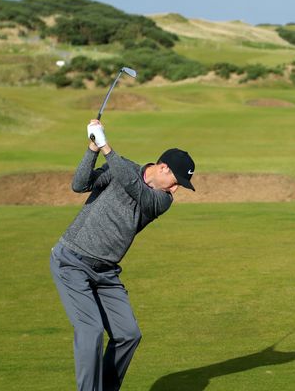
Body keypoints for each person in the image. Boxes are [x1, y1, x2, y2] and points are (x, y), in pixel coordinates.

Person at [50, 119, 195, 391]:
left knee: (128, 334)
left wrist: (106, 146)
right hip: (72, 261)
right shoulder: (122, 167)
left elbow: (133, 186)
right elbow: (79, 185)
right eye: (177, 181)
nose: (177, 189)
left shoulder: (161, 200)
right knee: (90, 331)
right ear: (163, 168)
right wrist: (93, 149)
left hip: (106, 272)